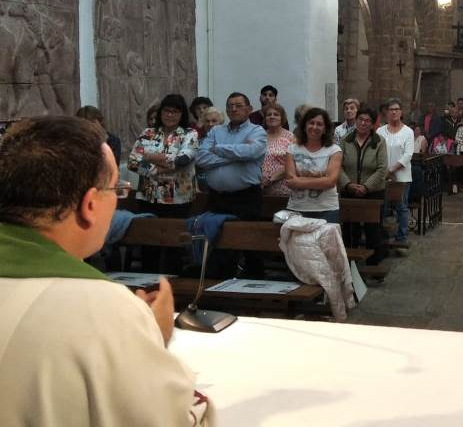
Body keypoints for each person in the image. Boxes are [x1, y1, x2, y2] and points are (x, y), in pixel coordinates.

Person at [0, 117, 213, 426]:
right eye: (115, 189)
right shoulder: (105, 309)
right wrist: (149, 338)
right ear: (89, 205)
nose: (117, 199)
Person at [196, 92, 267, 220]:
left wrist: (217, 148)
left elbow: (251, 152)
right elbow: (200, 158)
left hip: (245, 198)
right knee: (211, 238)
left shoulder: (257, 131)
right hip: (215, 199)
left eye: (238, 106)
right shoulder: (216, 131)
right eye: (230, 106)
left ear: (249, 109)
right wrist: (238, 154)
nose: (233, 109)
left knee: (244, 238)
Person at [128, 94, 199, 219]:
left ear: (182, 114)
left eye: (175, 112)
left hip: (177, 200)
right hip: (147, 196)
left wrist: (149, 157)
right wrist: (156, 168)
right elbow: (132, 163)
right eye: (166, 110)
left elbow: (181, 161)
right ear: (161, 112)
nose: (170, 115)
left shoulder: (189, 134)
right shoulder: (148, 133)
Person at [338, 106, 387, 263]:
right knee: (350, 230)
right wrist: (349, 184)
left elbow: (382, 169)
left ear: (373, 124)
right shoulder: (346, 140)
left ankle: (374, 265)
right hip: (349, 192)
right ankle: (350, 265)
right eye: (361, 119)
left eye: (368, 121)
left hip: (373, 193)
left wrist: (366, 186)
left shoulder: (379, 141)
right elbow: (338, 166)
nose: (363, 123)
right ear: (356, 120)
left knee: (373, 231)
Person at [284, 107, 342, 223]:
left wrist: (299, 181)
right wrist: (321, 180)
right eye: (311, 123)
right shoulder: (292, 149)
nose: (314, 127)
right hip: (297, 208)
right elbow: (290, 181)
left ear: (325, 129)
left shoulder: (334, 150)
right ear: (305, 126)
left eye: (319, 124)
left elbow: (330, 182)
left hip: (326, 209)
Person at [377, 98, 415, 242]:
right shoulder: (380, 131)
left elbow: (407, 155)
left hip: (402, 177)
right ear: (386, 113)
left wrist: (391, 170)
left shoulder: (408, 132)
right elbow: (377, 152)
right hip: (383, 176)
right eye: (391, 109)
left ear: (401, 112)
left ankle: (402, 238)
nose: (394, 112)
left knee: (401, 207)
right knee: (383, 207)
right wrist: (384, 171)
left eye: (396, 109)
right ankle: (383, 236)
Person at [260, 103, 295, 197]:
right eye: (269, 115)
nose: (272, 117)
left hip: (284, 190)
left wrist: (271, 179)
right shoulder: (259, 136)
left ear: (282, 118)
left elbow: (294, 162)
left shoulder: (290, 137)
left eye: (276, 114)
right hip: (260, 189)